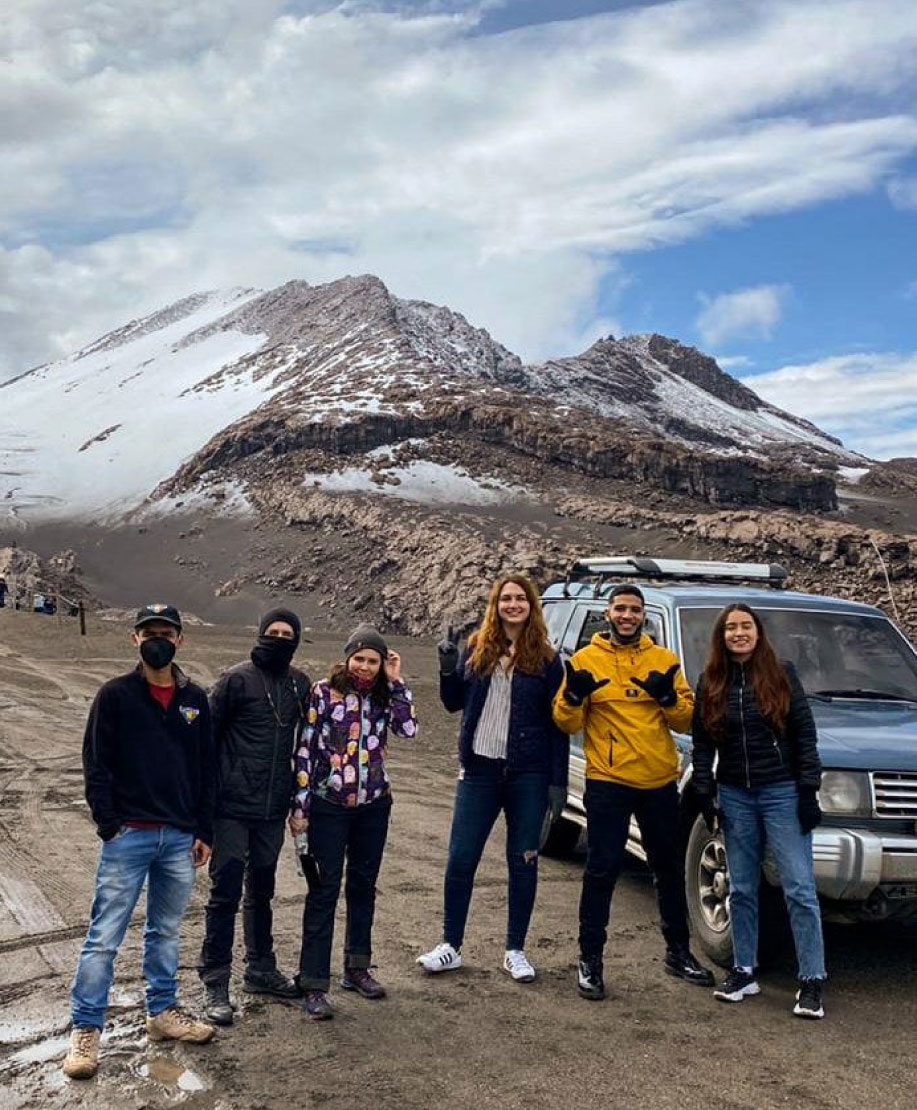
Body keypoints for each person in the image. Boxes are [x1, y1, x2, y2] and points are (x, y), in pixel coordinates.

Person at [63, 604, 216, 1080]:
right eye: (149, 633)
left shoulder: (195, 700)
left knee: (165, 930)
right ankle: (86, 1029)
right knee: (104, 936)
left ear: (180, 640)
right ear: (135, 639)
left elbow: (206, 768)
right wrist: (109, 824)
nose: (158, 641)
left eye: (166, 633)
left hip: (179, 837)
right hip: (128, 836)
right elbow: (96, 763)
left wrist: (203, 829)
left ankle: (162, 1011)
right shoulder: (115, 696)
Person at [553, 583, 713, 1001]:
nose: (627, 615)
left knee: (667, 868)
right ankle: (590, 960)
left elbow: (686, 721)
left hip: (657, 781)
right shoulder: (584, 660)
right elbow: (567, 723)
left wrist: (667, 697)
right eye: (620, 608)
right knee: (601, 870)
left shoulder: (664, 660)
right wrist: (573, 695)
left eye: (635, 610)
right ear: (607, 613)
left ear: (644, 616)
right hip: (608, 781)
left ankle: (678, 952)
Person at [417, 573, 568, 983]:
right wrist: (447, 668)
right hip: (479, 771)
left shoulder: (548, 659)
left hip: (528, 774)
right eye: (506, 599)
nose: (513, 605)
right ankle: (450, 945)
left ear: (531, 606)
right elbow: (453, 703)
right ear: (495, 605)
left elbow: (558, 725)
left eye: (520, 598)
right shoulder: (476, 648)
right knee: (461, 857)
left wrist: (558, 783)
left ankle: (515, 950)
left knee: (524, 860)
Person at [691, 603, 826, 1019]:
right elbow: (702, 742)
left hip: (782, 792)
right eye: (730, 627)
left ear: (758, 632)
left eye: (745, 626)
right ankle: (744, 971)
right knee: (742, 888)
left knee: (799, 888)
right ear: (721, 636)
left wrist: (808, 791)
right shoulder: (711, 680)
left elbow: (804, 734)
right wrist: (704, 789)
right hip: (735, 795)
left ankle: (812, 980)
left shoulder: (781, 673)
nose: (738, 633)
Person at [290, 624, 417, 1020]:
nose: (364, 666)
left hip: (374, 805)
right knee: (323, 890)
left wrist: (396, 683)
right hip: (328, 805)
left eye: (372, 660)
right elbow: (306, 749)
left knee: (363, 885)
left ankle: (357, 967)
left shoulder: (384, 695)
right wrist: (300, 808)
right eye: (358, 658)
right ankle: (313, 983)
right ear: (347, 659)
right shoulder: (323, 692)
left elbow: (408, 729)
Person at [197, 608, 311, 1025]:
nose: (278, 639)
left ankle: (261, 969)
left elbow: (309, 742)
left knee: (262, 892)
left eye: (287, 634)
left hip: (271, 809)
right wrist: (204, 806)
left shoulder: (299, 684)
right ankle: (215, 981)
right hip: (230, 807)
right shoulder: (235, 680)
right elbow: (205, 742)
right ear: (260, 633)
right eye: (272, 632)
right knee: (224, 893)